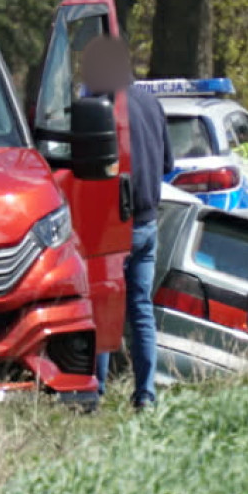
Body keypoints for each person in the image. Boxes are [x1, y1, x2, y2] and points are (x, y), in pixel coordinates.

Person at [80, 36, 171, 411]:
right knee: (140, 308)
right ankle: (146, 394)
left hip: (111, 226)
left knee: (102, 307)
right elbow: (167, 164)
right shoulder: (151, 104)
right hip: (148, 223)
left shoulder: (97, 107)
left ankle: (95, 391)